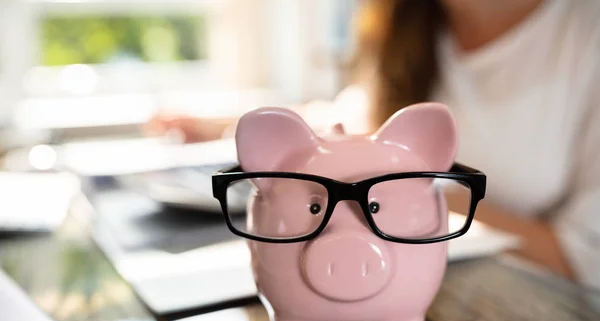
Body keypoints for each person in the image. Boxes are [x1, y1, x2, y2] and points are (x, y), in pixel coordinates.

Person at [144, 0, 600, 291]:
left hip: (534, 315)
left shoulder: (585, 34)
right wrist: (222, 126)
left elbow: (587, 259)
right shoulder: (405, 24)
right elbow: (347, 121)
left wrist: (424, 192)